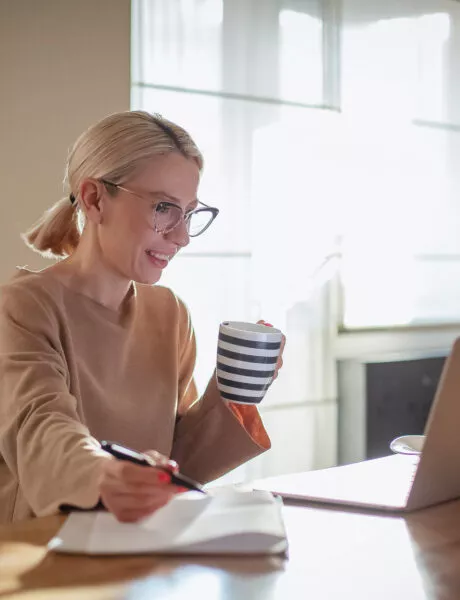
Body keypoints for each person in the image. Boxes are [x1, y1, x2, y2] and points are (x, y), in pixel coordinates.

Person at [0, 110, 284, 524]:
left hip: (136, 548)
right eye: (164, 208)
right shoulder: (23, 307)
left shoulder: (169, 313)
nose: (182, 236)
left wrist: (233, 393)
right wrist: (102, 474)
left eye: (188, 212)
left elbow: (174, 464)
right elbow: (39, 429)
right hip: (41, 555)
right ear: (95, 198)